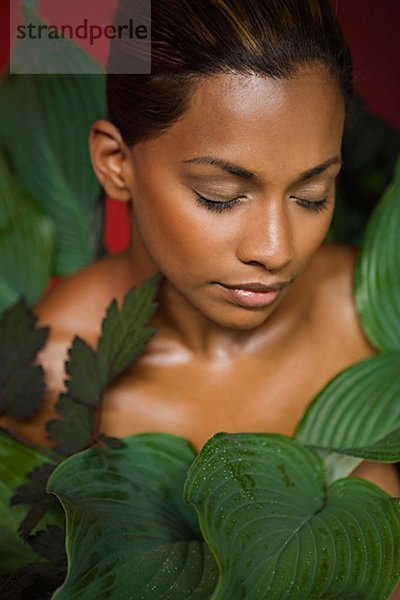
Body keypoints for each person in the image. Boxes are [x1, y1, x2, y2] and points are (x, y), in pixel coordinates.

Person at [3, 0, 399, 496]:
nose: (275, 251)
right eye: (221, 197)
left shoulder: (372, 313)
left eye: (310, 196)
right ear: (114, 164)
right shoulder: (46, 388)